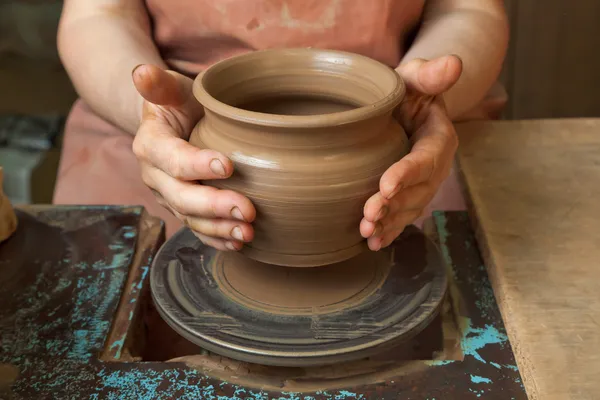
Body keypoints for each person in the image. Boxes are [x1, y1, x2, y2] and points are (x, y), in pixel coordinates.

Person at [54, 0, 508, 252]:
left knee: (462, 291)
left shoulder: (409, 113)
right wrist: (150, 110)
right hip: (168, 115)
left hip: (400, 124)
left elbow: (467, 10)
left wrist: (426, 97)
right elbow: (100, 14)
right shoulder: (159, 114)